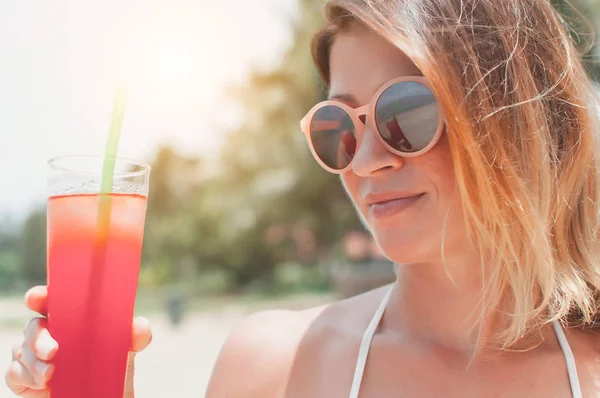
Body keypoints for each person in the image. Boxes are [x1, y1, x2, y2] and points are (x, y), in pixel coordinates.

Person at [6, 0, 600, 396]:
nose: (367, 160)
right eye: (338, 126)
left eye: (407, 113)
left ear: (521, 120)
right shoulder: (266, 369)